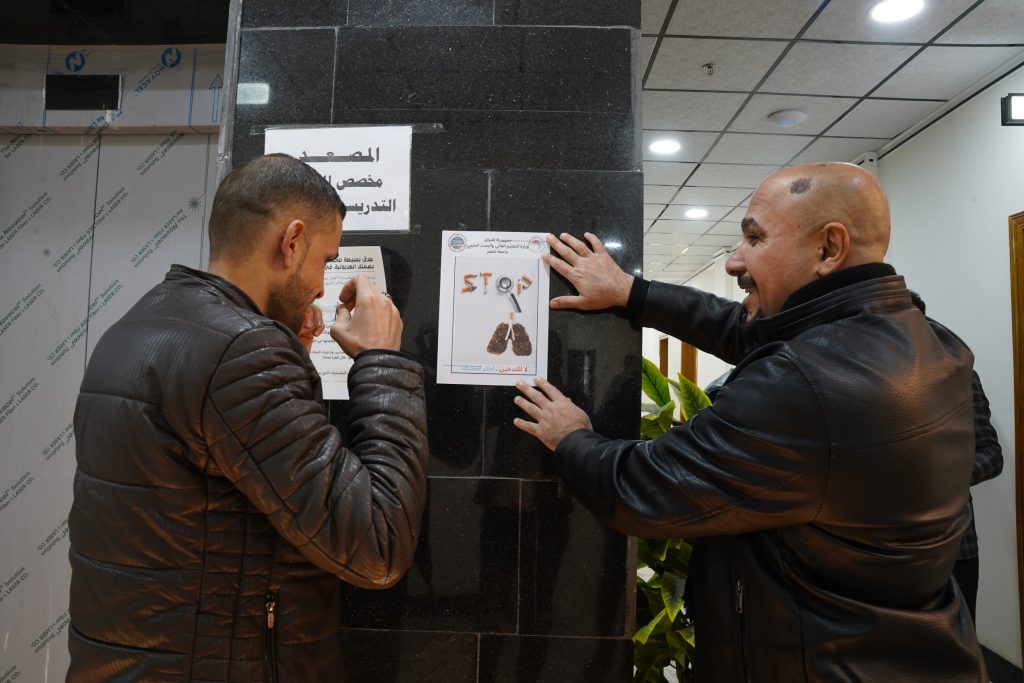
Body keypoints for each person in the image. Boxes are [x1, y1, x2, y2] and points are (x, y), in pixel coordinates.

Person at [513, 162, 987, 681]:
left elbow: (643, 487)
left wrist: (570, 436)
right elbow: (744, 331)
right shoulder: (925, 340)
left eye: (754, 239)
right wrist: (632, 292)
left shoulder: (805, 383)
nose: (734, 261)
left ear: (829, 249)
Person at [67, 154, 429, 681]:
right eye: (326, 260)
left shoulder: (138, 323)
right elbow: (378, 545)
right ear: (292, 241)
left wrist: (291, 365)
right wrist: (382, 362)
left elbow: (213, 503)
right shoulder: (242, 350)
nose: (322, 287)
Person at [909, 291, 1004, 622]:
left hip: (955, 544)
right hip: (890, 550)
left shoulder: (960, 377)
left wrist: (944, 477)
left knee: (960, 636)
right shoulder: (865, 386)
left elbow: (991, 455)